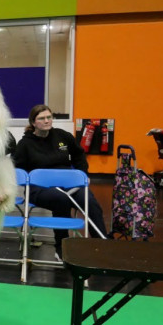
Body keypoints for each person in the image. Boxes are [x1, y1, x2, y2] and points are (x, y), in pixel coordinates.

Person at [13, 104, 108, 260]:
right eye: (42, 118)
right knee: (60, 199)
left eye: (49, 117)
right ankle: (62, 246)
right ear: (33, 122)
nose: (46, 121)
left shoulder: (63, 136)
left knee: (89, 200)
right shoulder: (25, 144)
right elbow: (19, 169)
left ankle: (102, 244)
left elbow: (79, 156)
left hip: (69, 184)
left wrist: (83, 175)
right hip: (40, 189)